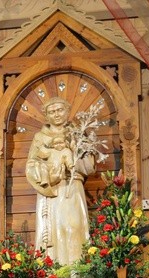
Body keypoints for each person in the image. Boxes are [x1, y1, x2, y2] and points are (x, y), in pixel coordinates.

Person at [25, 97, 96, 265]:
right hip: (50, 192)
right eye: (51, 112)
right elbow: (31, 165)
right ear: (46, 116)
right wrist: (49, 173)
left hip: (72, 187)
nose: (56, 114)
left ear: (67, 111)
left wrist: (72, 159)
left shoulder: (78, 134)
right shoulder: (40, 138)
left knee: (74, 227)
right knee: (52, 233)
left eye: (59, 110)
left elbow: (90, 166)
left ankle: (77, 276)